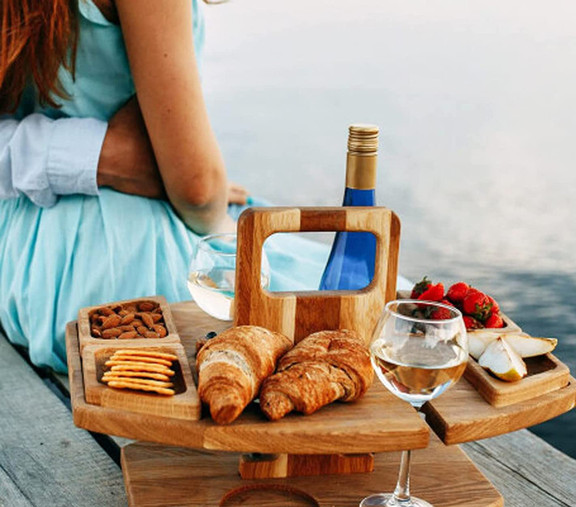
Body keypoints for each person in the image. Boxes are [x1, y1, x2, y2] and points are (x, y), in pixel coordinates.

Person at [0, 0, 330, 372]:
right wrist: (208, 202)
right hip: (126, 280)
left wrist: (85, 152)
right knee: (361, 310)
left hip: (23, 269)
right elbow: (197, 190)